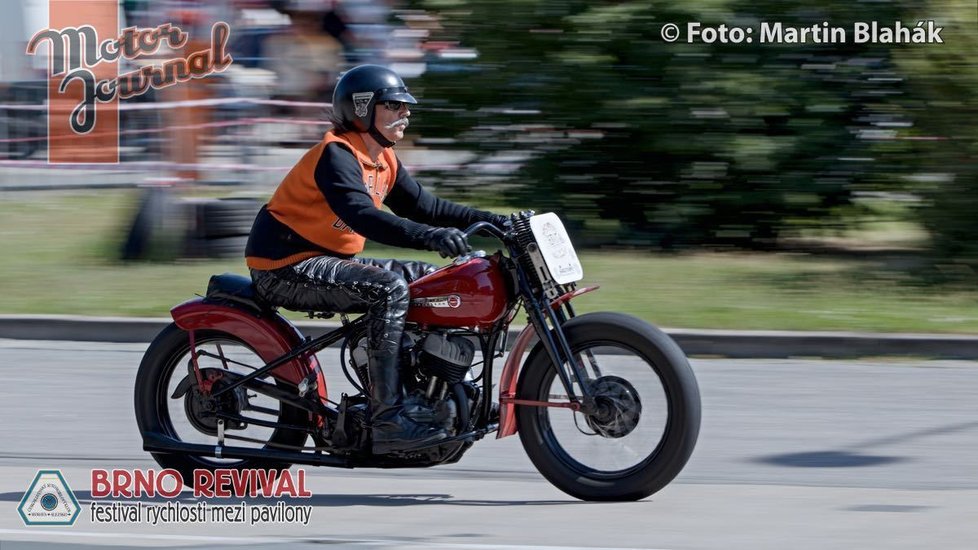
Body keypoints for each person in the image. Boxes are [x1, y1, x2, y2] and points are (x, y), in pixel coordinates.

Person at [245, 64, 508, 454]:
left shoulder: (383, 159)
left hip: (326, 259)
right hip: (287, 265)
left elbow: (427, 207)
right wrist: (431, 237)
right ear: (363, 108)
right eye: (395, 105)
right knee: (387, 289)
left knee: (432, 280)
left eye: (405, 106)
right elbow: (363, 216)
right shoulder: (336, 154)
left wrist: (497, 221)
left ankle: (435, 391)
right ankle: (388, 418)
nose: (406, 112)